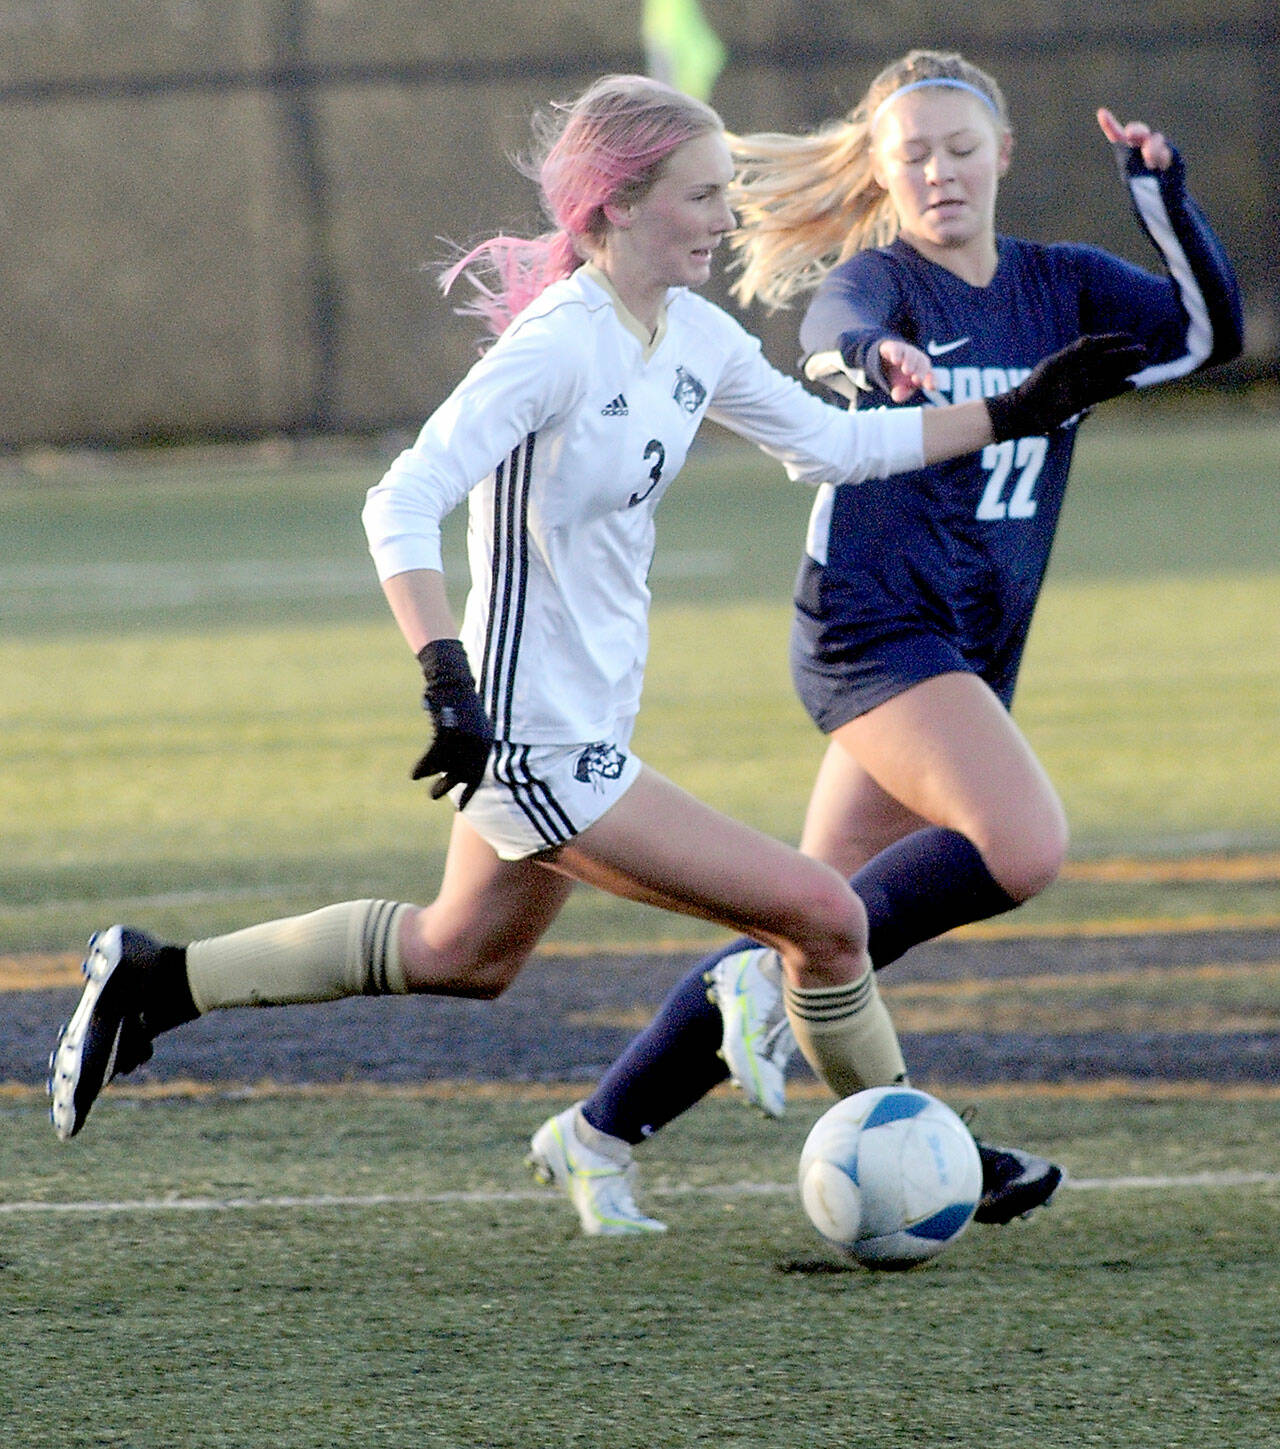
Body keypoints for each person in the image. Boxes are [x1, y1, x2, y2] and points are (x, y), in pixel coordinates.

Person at [48, 75, 1140, 1220]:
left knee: (459, 954)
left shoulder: (692, 336)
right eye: (702, 196)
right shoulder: (554, 347)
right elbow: (399, 502)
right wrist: (444, 677)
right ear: (617, 205)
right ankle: (931, 1163)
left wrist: (1012, 411)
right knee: (824, 917)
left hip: (579, 730)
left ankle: (156, 982)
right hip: (527, 742)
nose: (725, 220)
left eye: (725, 195)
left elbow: (829, 444)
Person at [526, 51, 1243, 1235]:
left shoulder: (1058, 285)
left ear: (1002, 154)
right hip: (871, 630)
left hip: (962, 645)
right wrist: (872, 362)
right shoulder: (882, 284)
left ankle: (597, 1130)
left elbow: (1203, 337)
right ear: (880, 169)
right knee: (1018, 845)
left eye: (960, 147)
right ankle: (842, 1070)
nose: (938, 171)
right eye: (910, 153)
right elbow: (827, 331)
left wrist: (1161, 197)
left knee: (819, 924)